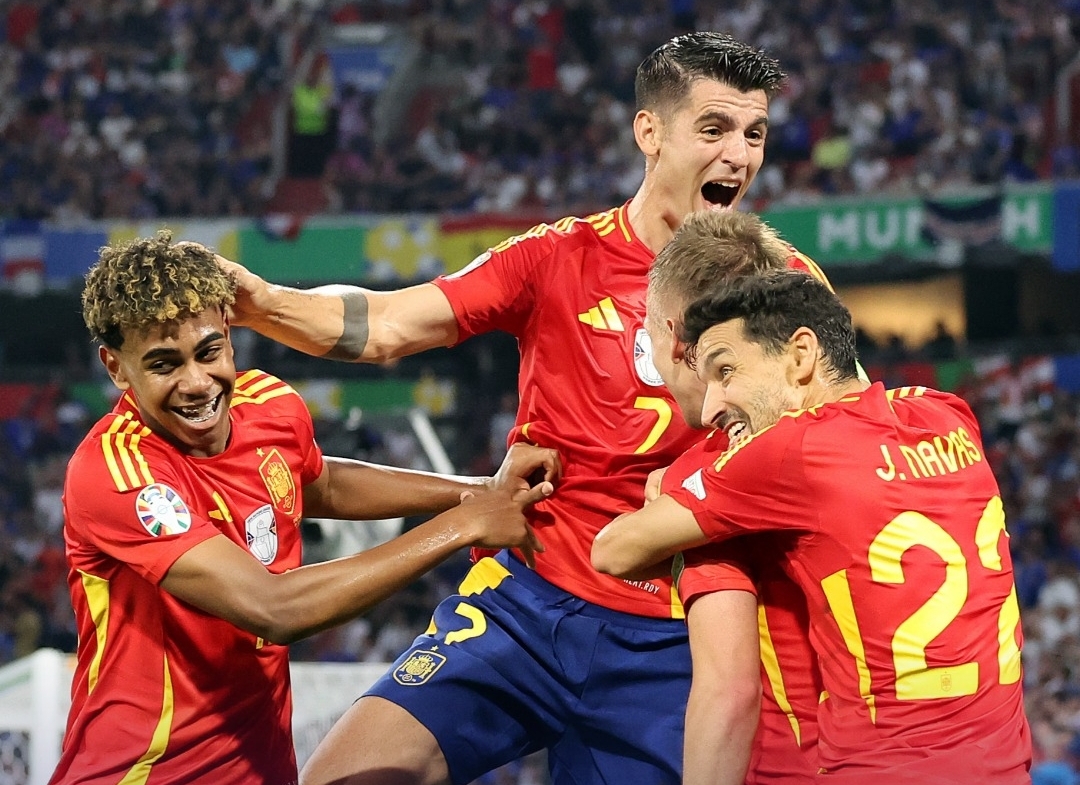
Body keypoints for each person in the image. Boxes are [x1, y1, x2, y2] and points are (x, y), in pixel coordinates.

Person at [221, 31, 796, 785]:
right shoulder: (557, 257)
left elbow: (833, 441)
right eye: (714, 129)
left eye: (754, 134)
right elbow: (388, 324)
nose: (738, 156)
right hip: (525, 603)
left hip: (674, 637)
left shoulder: (783, 288)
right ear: (649, 132)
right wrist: (263, 302)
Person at [51, 232, 558, 785]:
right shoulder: (117, 472)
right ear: (116, 368)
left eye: (209, 352)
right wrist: (461, 525)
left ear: (229, 335)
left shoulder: (268, 404)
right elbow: (274, 608)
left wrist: (478, 490)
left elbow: (321, 483)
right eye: (163, 364)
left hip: (260, 768)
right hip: (144, 774)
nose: (196, 383)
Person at [592, 270, 1032, 783]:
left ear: (801, 355)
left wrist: (672, 487)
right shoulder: (948, 414)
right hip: (1006, 768)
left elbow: (613, 551)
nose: (711, 407)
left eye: (726, 370)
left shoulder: (790, 452)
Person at [642, 209, 823, 784]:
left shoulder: (713, 480)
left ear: (677, 340)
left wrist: (658, 511)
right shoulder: (921, 421)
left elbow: (730, 692)